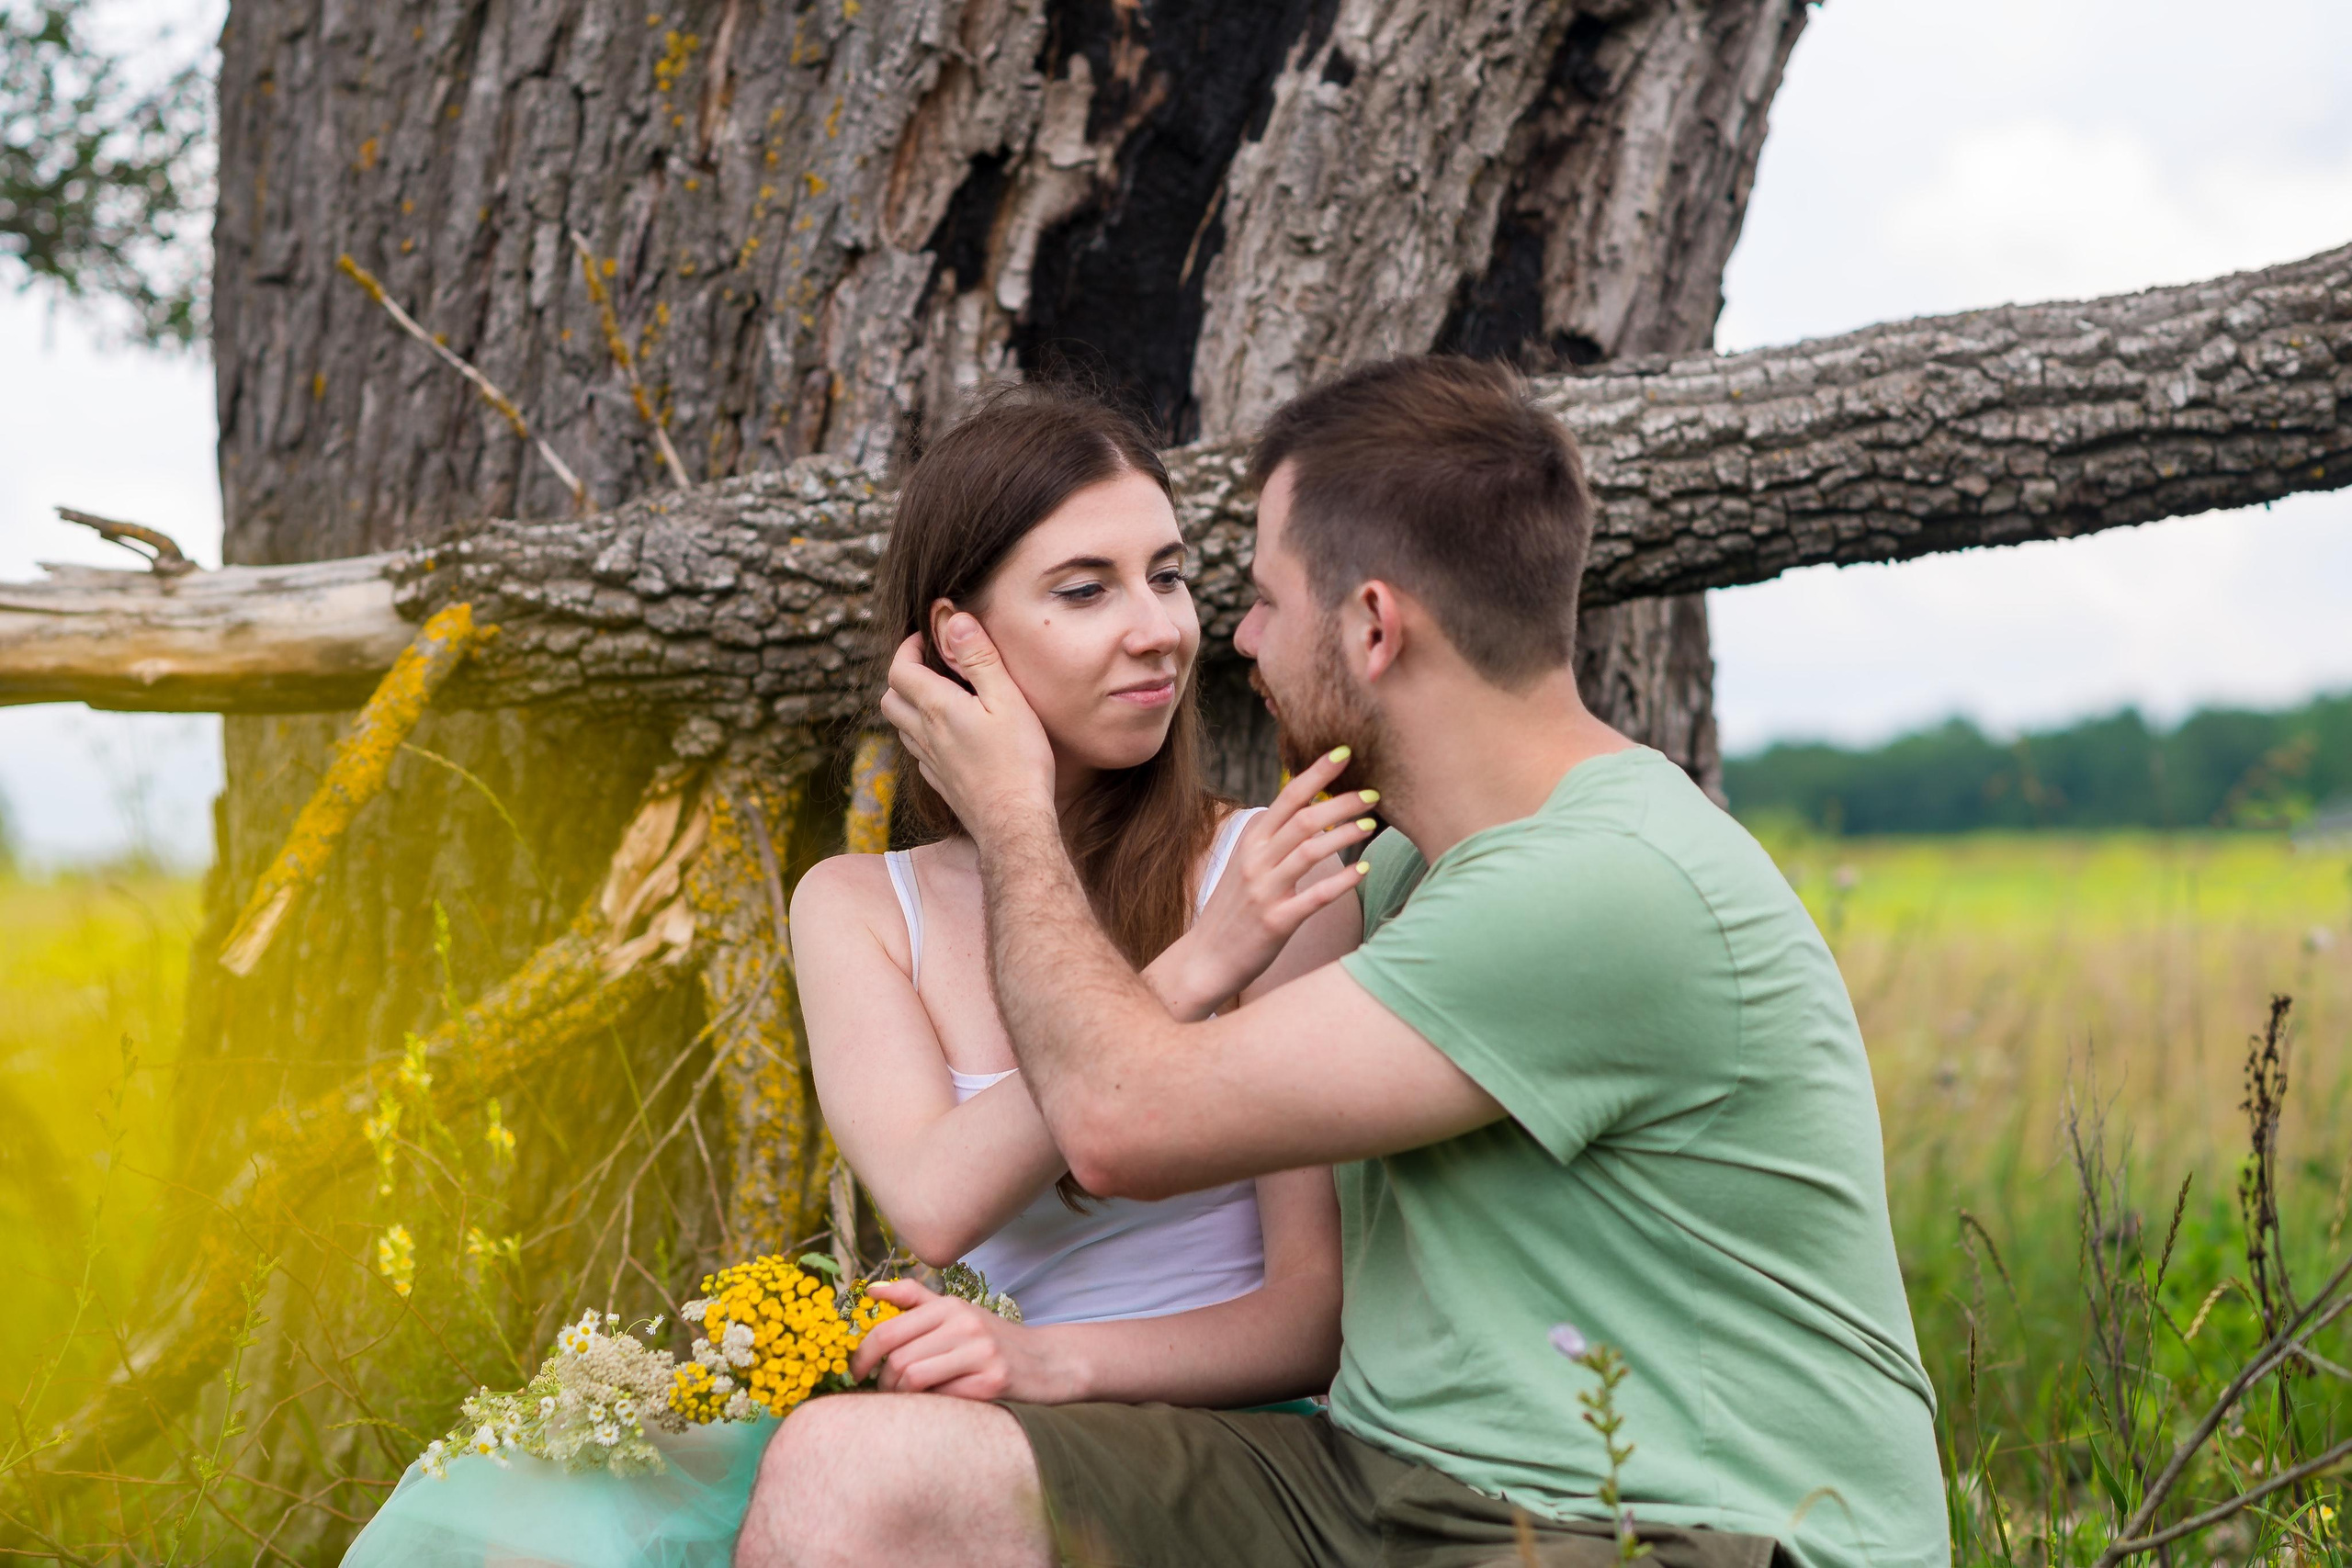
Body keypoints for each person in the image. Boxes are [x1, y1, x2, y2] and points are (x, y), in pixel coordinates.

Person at [740, 356, 1950, 1568]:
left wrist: (1011, 817)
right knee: (853, 1471)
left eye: (1261, 599)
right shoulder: (1414, 870)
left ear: (1373, 626)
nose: (1224, 638)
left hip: (1670, 1530)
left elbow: (1115, 1120)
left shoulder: (1601, 885)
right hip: (1381, 1488)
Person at [337, 385, 1370, 1568]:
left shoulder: (1267, 872)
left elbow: (1312, 1316)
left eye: (1169, 577)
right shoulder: (861, 906)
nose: (1157, 630)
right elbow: (933, 1202)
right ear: (959, 642)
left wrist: (1044, 1361)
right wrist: (1185, 976)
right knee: (496, 1510)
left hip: (1206, 1431)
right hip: (975, 1406)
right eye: (1085, 590)